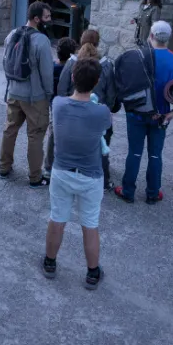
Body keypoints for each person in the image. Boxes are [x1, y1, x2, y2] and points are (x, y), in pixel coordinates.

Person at [43, 58, 113, 290]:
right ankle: (92, 272)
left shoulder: (59, 104)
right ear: (96, 82)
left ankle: (50, 262)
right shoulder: (101, 112)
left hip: (62, 170)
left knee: (57, 218)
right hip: (90, 175)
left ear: (73, 78)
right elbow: (103, 126)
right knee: (90, 223)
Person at [113, 21, 173, 203]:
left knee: (134, 152)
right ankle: (152, 193)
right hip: (162, 115)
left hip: (136, 113)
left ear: (151, 36)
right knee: (155, 154)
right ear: (168, 38)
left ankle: (128, 191)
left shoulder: (139, 55)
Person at [0, 2, 55, 188]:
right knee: (35, 135)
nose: (49, 20)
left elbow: (4, 61)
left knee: (9, 130)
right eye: (47, 17)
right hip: (35, 96)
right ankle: (35, 177)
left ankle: (4, 167)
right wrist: (49, 94)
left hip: (14, 92)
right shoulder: (42, 41)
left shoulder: (12, 34)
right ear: (37, 19)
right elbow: (47, 73)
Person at [58, 31, 117, 189]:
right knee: (102, 145)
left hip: (73, 114)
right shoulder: (106, 65)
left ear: (80, 41)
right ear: (98, 44)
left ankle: (65, 174)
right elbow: (111, 95)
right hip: (97, 115)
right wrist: (106, 110)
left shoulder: (72, 63)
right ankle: (103, 181)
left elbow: (62, 89)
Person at [43, 37, 78, 179]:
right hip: (71, 105)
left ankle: (48, 166)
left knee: (53, 133)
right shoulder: (72, 68)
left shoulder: (52, 67)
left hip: (54, 105)